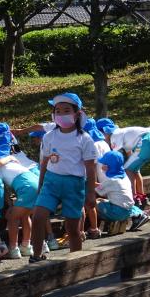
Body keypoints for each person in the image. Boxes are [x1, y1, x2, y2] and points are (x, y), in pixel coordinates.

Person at [30, 93, 97, 262]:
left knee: (72, 228)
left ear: (77, 114)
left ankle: (77, 261)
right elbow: (44, 163)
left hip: (74, 185)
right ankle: (36, 256)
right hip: (51, 182)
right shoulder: (49, 136)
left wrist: (91, 193)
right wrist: (40, 185)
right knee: (38, 217)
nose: (61, 114)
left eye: (66, 110)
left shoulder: (84, 139)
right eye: (57, 111)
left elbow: (90, 168)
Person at [0, 123, 40, 260]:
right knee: (25, 215)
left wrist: (9, 158)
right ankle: (26, 246)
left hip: (27, 187)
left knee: (12, 217)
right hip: (35, 183)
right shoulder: (13, 156)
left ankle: (13, 249)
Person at [96, 118, 150, 205]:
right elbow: (129, 154)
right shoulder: (122, 133)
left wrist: (106, 166)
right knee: (135, 169)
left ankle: (133, 197)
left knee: (127, 169)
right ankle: (141, 196)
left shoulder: (114, 136)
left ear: (104, 131)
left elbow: (114, 157)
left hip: (146, 141)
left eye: (100, 134)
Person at [96, 151, 150, 232]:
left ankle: (94, 228)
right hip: (128, 210)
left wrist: (88, 181)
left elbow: (98, 190)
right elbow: (103, 186)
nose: (102, 166)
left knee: (94, 203)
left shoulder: (112, 180)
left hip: (117, 213)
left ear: (110, 166)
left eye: (104, 164)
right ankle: (139, 214)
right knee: (103, 200)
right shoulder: (124, 177)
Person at [82, 118, 112, 239]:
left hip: (100, 180)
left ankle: (91, 228)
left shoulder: (93, 144)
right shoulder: (103, 142)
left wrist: (92, 183)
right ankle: (94, 228)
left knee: (88, 204)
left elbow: (93, 166)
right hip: (109, 178)